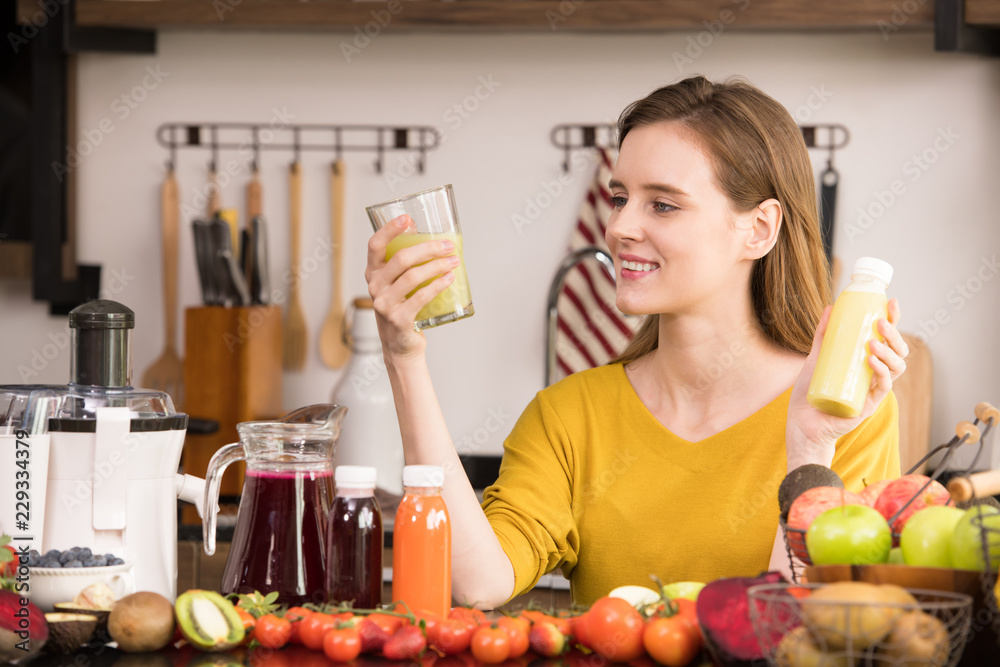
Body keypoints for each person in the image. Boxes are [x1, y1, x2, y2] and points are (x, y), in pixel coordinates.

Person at [364, 75, 907, 609]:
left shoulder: (842, 416)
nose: (621, 226)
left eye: (663, 205)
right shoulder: (571, 416)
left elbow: (807, 626)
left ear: (759, 229)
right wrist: (403, 357)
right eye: (620, 198)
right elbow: (477, 583)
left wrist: (808, 451)